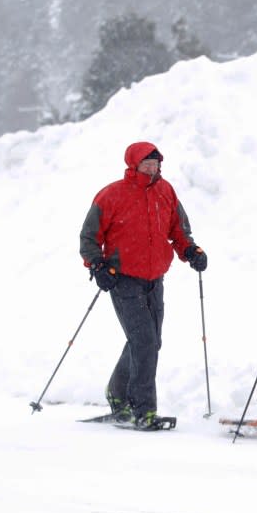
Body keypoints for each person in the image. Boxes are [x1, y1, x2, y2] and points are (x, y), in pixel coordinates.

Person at [79, 141, 208, 430]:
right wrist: (97, 265)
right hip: (122, 278)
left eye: (156, 164)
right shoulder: (112, 195)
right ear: (133, 165)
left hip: (154, 278)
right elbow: (89, 237)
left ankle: (117, 392)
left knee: (149, 342)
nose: (152, 168)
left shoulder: (166, 191)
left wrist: (191, 251)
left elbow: (178, 229)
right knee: (145, 341)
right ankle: (143, 410)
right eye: (146, 164)